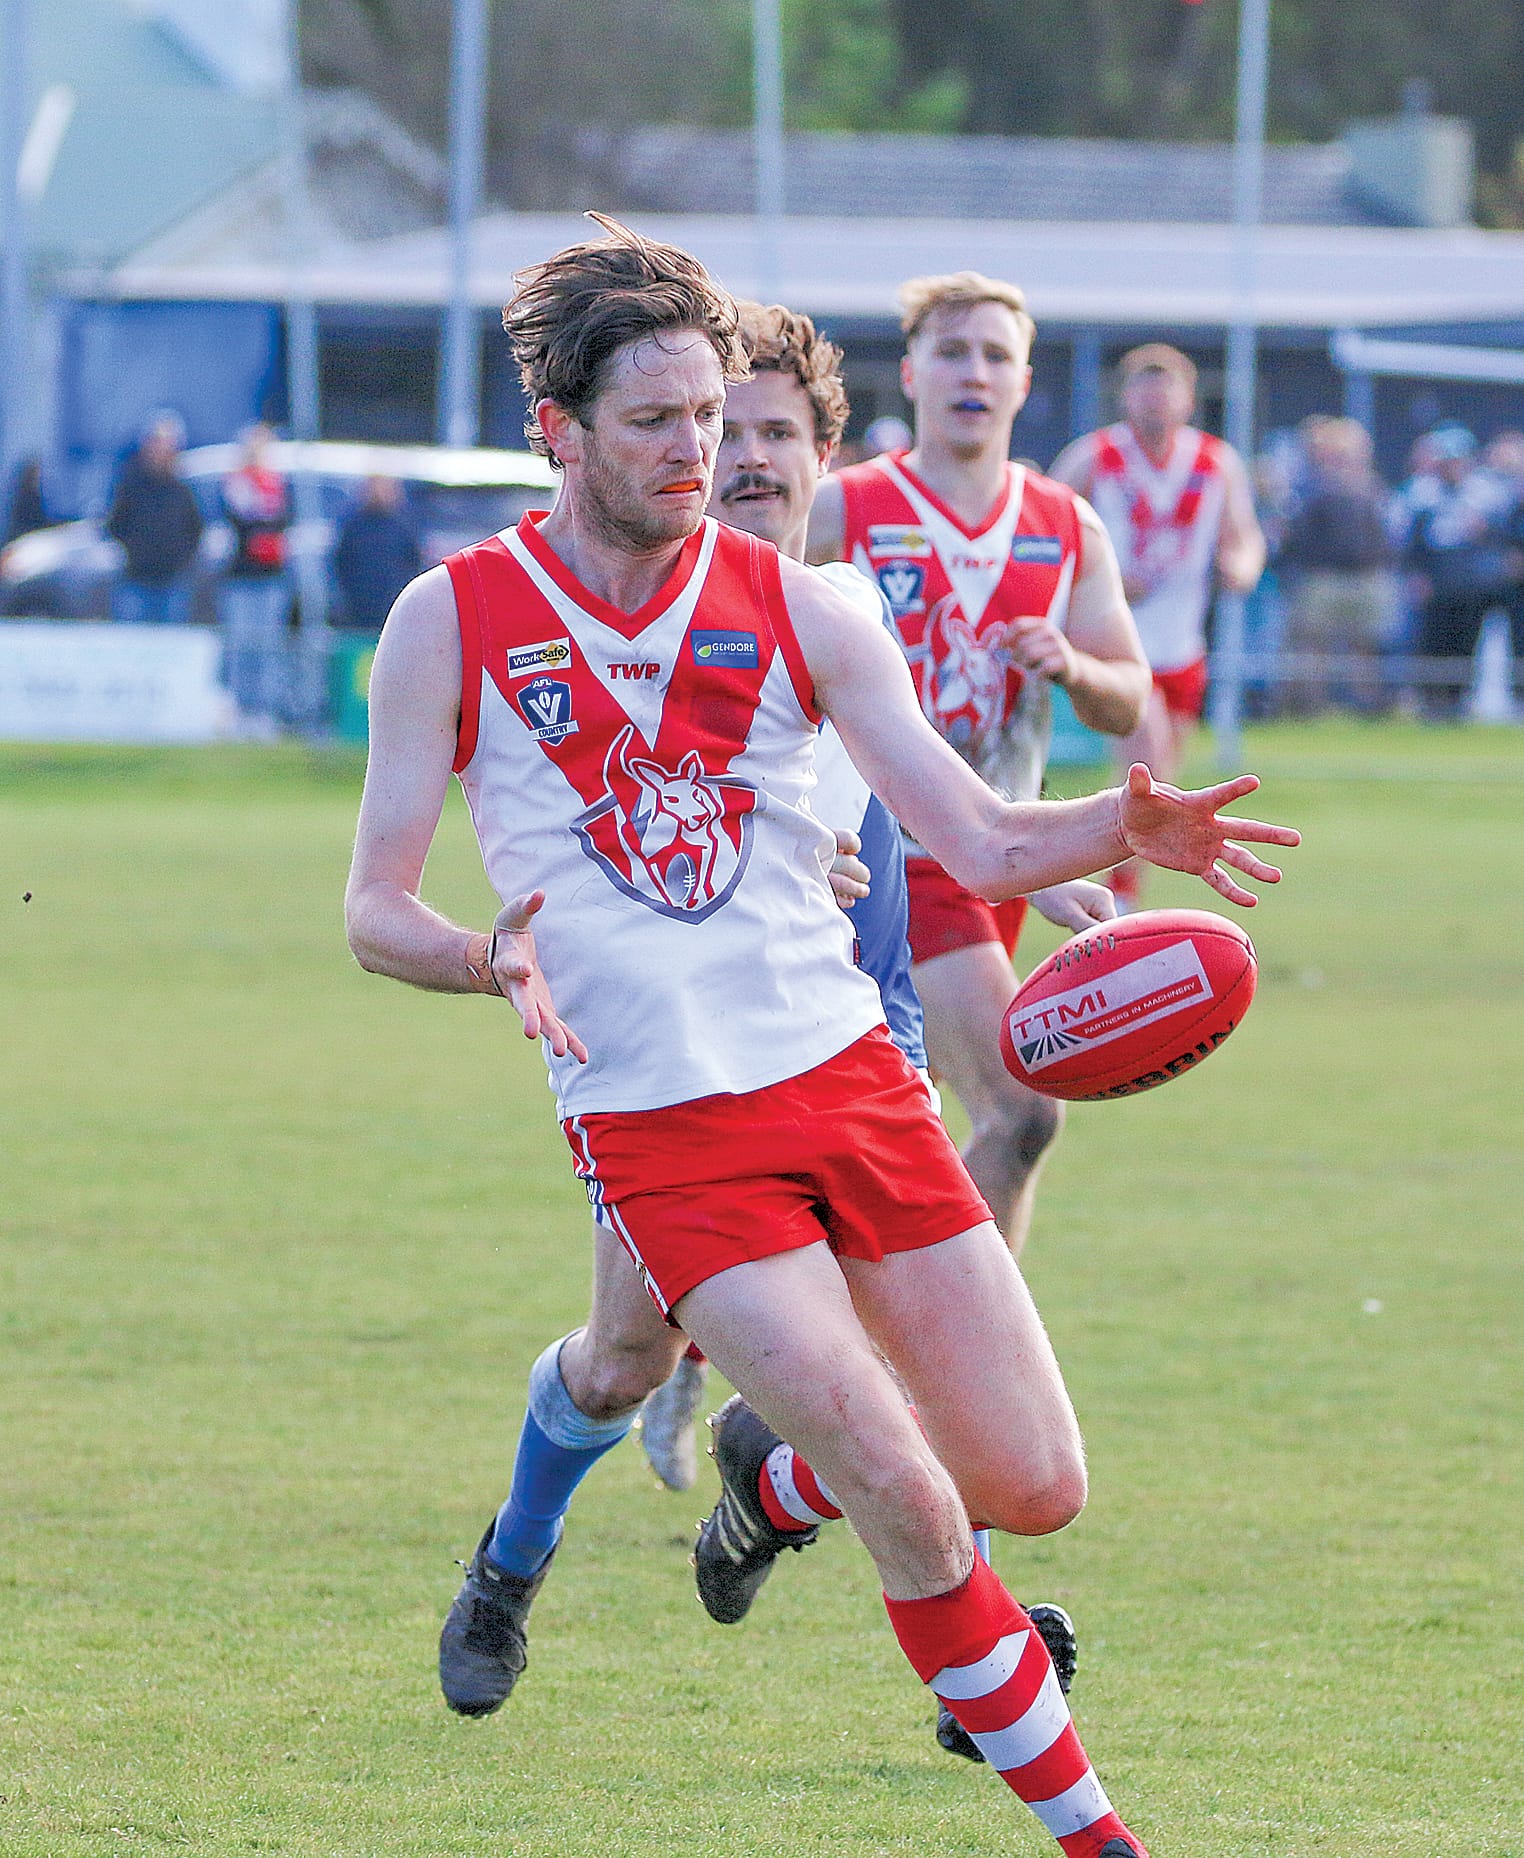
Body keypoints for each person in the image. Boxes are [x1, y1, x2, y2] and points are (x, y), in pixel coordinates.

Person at [345, 217, 1296, 1858]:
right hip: (665, 1134)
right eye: (655, 421)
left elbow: (983, 839)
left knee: (1030, 1482)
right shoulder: (456, 613)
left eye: (710, 417)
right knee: (905, 1495)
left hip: (851, 1090)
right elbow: (372, 904)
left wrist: (1114, 820)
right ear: (555, 429)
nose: (694, 451)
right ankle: (1099, 1836)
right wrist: (480, 953)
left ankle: (768, 1489)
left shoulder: (811, 607)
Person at [808, 270, 1150, 1257]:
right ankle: (943, 1369)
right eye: (953, 351)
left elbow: (1129, 691)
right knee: (1021, 1109)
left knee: (851, 1139)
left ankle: (750, 1362)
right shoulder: (845, 510)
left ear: (1025, 381)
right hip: (888, 860)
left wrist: (1074, 664)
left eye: (995, 354)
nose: (974, 371)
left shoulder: (1064, 524)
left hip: (1003, 857)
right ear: (911, 373)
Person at [1051, 344, 1266, 908]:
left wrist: (1239, 568)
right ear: (1124, 397)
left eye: (1166, 386)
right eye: (1143, 387)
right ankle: (1116, 895)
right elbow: (1047, 528)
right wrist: (1103, 583)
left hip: (1185, 644)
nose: (1155, 399)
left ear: (1189, 398)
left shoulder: (1217, 462)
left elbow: (1244, 537)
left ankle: (1105, 867)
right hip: (1124, 645)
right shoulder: (1094, 457)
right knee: (1145, 769)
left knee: (1165, 777)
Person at [1394, 424, 1514, 721]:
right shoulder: (1422, 493)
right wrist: (1416, 576)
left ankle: (1459, 703)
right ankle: (1431, 704)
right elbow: (1411, 543)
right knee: (1433, 645)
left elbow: (1505, 538)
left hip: (1473, 586)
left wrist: (1485, 531)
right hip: (1436, 583)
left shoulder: (1487, 493)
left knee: (1466, 646)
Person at [1278, 416, 1395, 716]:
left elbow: (1384, 534)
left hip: (1366, 577)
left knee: (1365, 646)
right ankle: (1306, 707)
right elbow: (1298, 535)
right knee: (1313, 646)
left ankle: (1368, 706)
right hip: (1323, 578)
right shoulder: (1311, 487)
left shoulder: (1371, 487)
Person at [219, 423, 293, 728]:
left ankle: (265, 710)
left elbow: (282, 522)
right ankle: (240, 708)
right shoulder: (236, 483)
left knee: (269, 643)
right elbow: (241, 521)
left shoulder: (278, 485)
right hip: (243, 576)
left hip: (272, 575)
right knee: (241, 643)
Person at [106, 411, 204, 626]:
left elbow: (195, 528)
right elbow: (115, 524)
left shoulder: (182, 489)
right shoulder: (131, 485)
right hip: (137, 579)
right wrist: (135, 550)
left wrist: (181, 558)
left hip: (173, 581)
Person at [331, 475, 423, 633]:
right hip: (358, 604)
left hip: (392, 601)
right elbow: (342, 562)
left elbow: (413, 562)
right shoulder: (354, 525)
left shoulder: (403, 525)